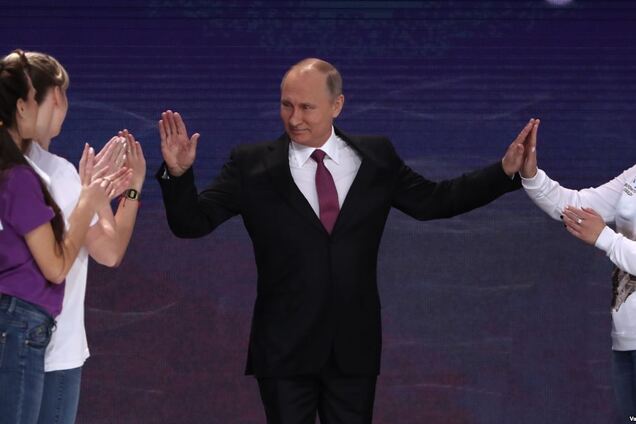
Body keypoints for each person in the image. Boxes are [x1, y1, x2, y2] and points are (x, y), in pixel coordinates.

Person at [157, 57, 535, 424]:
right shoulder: (250, 164)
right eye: (287, 105)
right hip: (284, 349)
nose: (294, 118)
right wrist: (177, 175)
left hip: (353, 348)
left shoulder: (377, 157)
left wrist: (502, 173)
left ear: (336, 105)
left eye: (307, 107)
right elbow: (193, 223)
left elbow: (435, 201)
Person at [21, 51, 147, 424]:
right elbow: (109, 251)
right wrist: (124, 191)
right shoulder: (57, 176)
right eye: (61, 95)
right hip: (52, 354)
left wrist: (90, 193)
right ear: (52, 99)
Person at [0, 50, 115, 424]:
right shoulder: (20, 178)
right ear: (22, 107)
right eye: (46, 97)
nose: (59, 106)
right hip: (20, 326)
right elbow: (56, 266)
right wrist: (89, 202)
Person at [521, 120, 636, 421]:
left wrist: (606, 238)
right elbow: (579, 205)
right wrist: (532, 176)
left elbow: (600, 232)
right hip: (627, 337)